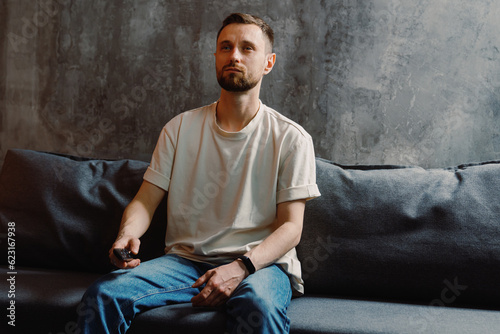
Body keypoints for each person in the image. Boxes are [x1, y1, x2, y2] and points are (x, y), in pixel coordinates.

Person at [77, 12, 320, 334]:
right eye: (225, 47)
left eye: (247, 48)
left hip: (261, 265)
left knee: (257, 306)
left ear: (268, 62)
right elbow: (145, 201)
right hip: (185, 263)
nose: (234, 55)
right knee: (105, 294)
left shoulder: (292, 138)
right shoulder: (179, 128)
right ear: (216, 56)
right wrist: (126, 236)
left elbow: (291, 227)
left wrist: (241, 267)